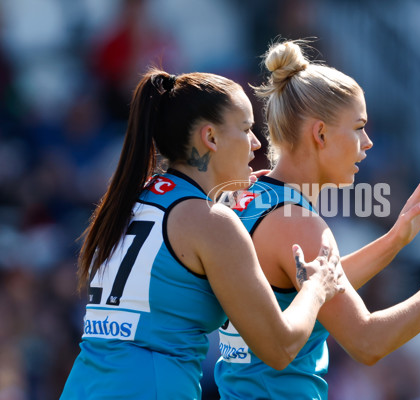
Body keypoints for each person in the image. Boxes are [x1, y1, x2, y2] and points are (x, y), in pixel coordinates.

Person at [214, 40, 420, 399]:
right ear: (321, 133)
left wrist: (396, 238)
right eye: (359, 127)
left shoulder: (247, 196)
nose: (369, 143)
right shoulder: (299, 222)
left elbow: (320, 286)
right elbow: (367, 342)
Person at [60, 67, 345, 399]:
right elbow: (280, 349)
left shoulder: (136, 196)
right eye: (246, 128)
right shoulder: (212, 222)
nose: (256, 143)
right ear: (210, 138)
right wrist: (315, 288)